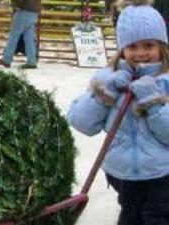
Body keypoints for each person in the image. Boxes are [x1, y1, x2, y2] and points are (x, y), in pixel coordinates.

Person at [67, 1, 169, 224]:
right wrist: (105, 93)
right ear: (122, 48)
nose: (141, 53)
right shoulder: (108, 78)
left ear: (162, 46)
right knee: (130, 217)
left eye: (149, 45)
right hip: (123, 174)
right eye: (132, 47)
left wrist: (153, 102)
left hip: (162, 174)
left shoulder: (166, 82)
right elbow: (82, 123)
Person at [0, 0, 40, 69]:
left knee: (13, 37)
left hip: (22, 12)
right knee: (29, 39)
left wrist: (17, 5)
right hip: (33, 13)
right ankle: (32, 62)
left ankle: (6, 60)